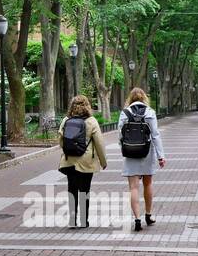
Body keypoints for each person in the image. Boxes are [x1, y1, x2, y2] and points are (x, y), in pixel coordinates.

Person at [57, 94, 108, 229]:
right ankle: (84, 221)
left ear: (72, 106)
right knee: (84, 190)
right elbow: (99, 143)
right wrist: (103, 161)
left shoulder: (66, 120)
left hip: (69, 161)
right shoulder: (91, 121)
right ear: (87, 106)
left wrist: (69, 150)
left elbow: (61, 141)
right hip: (86, 162)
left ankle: (72, 220)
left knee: (71, 189)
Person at [119, 87, 166, 232]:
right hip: (147, 152)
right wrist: (160, 156)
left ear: (130, 98)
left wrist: (124, 148)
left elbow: (120, 134)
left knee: (133, 187)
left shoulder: (125, 113)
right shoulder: (150, 112)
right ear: (144, 98)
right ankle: (149, 215)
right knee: (148, 183)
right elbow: (155, 135)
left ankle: (137, 218)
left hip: (130, 152)